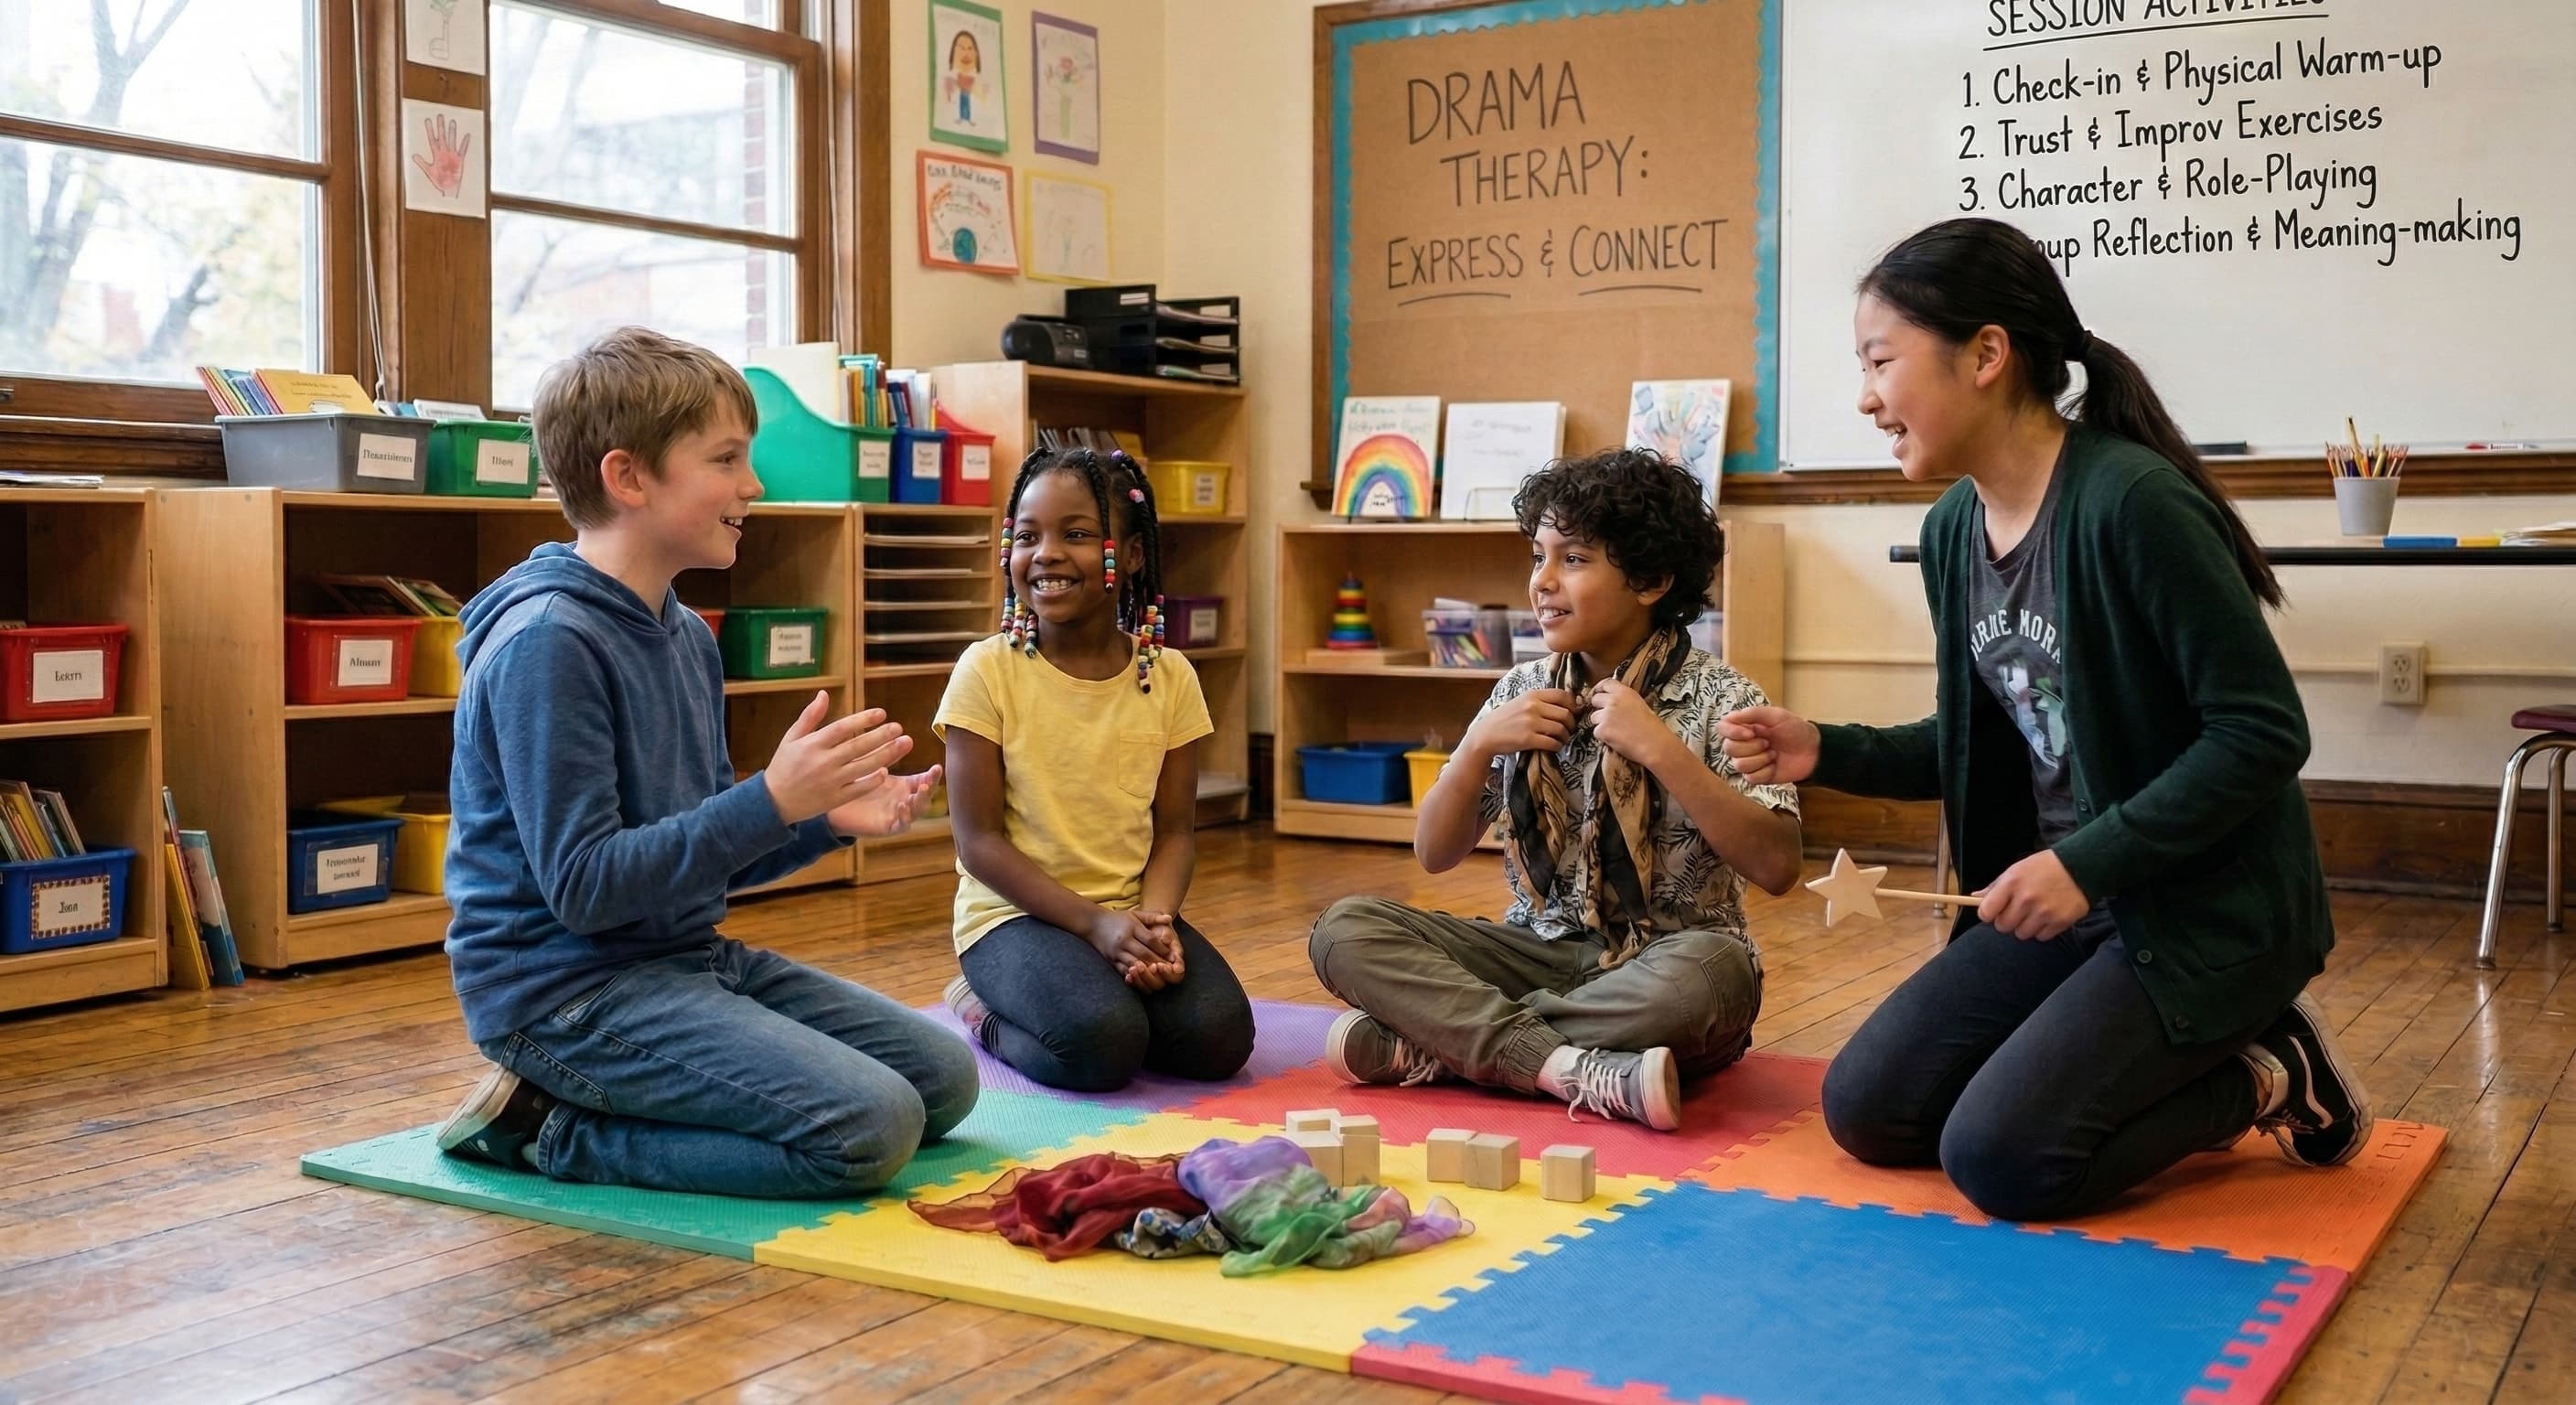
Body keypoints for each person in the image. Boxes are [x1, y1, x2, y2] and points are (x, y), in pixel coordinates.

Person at [1720, 217, 2371, 1222]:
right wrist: (1824, 750)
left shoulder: (2130, 504)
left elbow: (2260, 734)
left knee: (2005, 1159)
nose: (1863, 397)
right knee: (1869, 1111)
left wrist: (2083, 866)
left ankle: (2270, 1068)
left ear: (1985, 354)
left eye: (1879, 362)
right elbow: (1980, 742)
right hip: (2061, 907)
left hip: (2198, 920)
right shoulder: (1950, 533)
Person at [434, 327, 975, 1197]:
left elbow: (691, 857)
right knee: (871, 1128)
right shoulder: (547, 645)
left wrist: (816, 820)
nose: (753, 485)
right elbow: (588, 888)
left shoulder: (684, 632)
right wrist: (772, 799)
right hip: (561, 996)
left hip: (679, 960)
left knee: (945, 1082)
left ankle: (622, 1097)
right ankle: (548, 1127)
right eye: (726, 459)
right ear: (629, 478)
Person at [1310, 447, 1802, 1132]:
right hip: (1533, 956)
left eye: (1572, 559)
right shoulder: (1520, 690)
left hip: (1665, 961)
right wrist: (1478, 743)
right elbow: (1435, 853)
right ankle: (1569, 1066)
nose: (1542, 581)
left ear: (1652, 578)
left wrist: (1661, 749)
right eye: (1538, 556)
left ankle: (1449, 1046)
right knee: (1343, 930)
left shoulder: (1724, 697)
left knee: (1714, 975)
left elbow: (1778, 866)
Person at [936, 447, 1256, 1092]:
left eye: (1076, 534)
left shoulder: (1168, 677)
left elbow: (1174, 834)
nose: (1046, 553)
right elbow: (980, 844)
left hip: (1128, 913)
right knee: (1100, 1045)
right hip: (1013, 919)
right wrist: (1094, 926)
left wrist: (1156, 925)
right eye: (1027, 537)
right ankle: (980, 1009)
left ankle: (1109, 992)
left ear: (1132, 555)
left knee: (1221, 1039)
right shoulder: (986, 671)